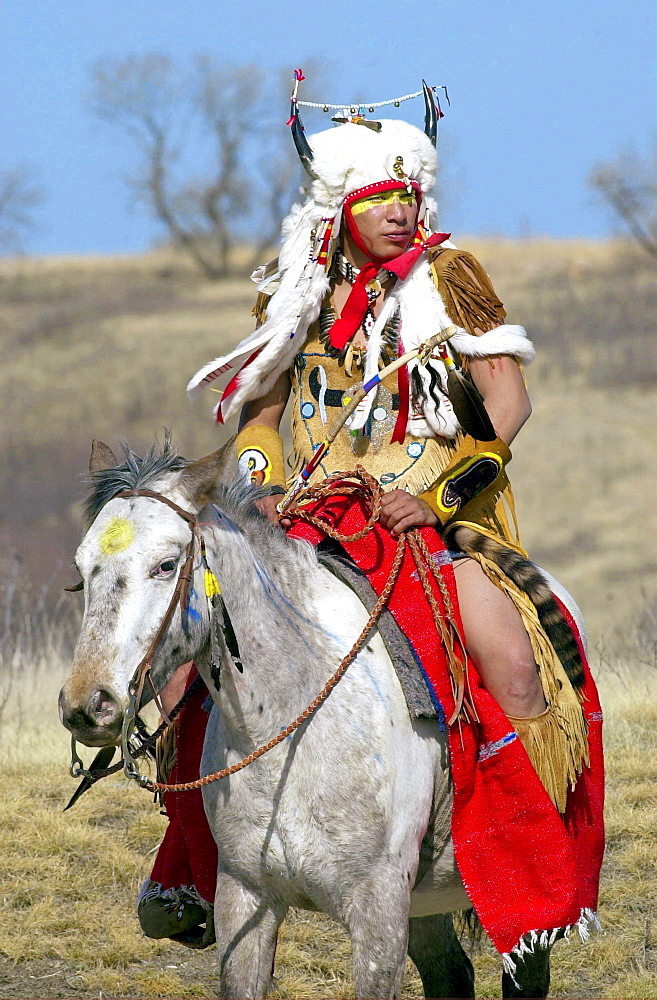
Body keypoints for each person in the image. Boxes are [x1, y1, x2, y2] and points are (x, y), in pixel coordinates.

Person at [139, 79, 589, 944]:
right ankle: (191, 871)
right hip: (308, 521)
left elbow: (509, 400)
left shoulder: (451, 276)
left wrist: (436, 496)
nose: (399, 210)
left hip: (435, 518)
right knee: (190, 668)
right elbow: (260, 415)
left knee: (511, 664)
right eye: (380, 197)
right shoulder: (293, 290)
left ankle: (532, 877)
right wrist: (263, 484)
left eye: (407, 194)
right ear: (340, 206)